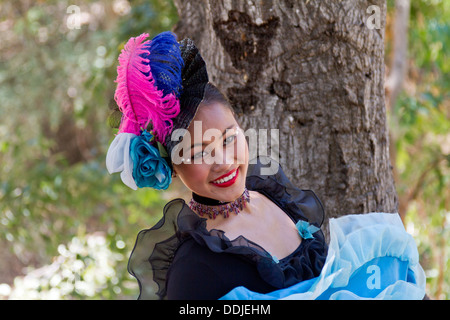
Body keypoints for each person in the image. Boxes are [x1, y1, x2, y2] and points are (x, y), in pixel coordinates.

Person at [106, 31, 426, 300]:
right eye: (199, 153)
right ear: (172, 166)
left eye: (229, 139)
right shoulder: (194, 270)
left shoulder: (274, 195)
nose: (224, 162)